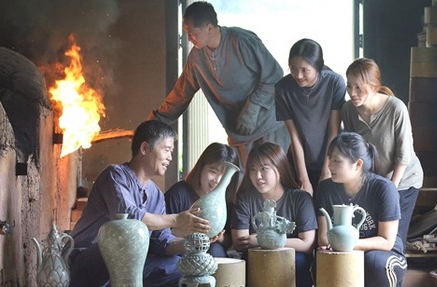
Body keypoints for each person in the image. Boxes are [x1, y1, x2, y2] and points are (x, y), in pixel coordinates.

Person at [65, 120, 210, 287]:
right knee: (124, 240)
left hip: (129, 265)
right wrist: (177, 219)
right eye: (167, 150)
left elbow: (162, 242)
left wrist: (195, 242)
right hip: (88, 263)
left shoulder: (156, 195)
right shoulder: (115, 175)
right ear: (144, 148)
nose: (170, 157)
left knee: (183, 268)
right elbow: (128, 220)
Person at [147, 1, 290, 167]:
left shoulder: (241, 41)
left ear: (209, 28)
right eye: (187, 33)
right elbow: (180, 94)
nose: (189, 38)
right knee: (242, 188)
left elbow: (275, 75)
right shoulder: (196, 59)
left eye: (192, 33)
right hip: (239, 136)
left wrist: (253, 106)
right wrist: (153, 123)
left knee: (275, 180)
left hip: (270, 127)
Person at [342, 58, 423, 247]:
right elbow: (354, 151)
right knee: (369, 235)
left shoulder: (396, 108)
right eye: (349, 87)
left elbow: (404, 155)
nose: (352, 93)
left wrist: (390, 189)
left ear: (374, 86)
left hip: (403, 180)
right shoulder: (348, 110)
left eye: (358, 88)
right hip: (374, 181)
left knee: (393, 240)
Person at [315, 132, 407, 287]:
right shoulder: (325, 189)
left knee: (374, 262)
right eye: (330, 158)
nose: (330, 165)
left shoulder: (384, 189)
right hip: (340, 250)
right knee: (325, 260)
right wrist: (341, 247)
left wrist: (345, 244)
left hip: (386, 255)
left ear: (358, 164)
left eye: (337, 161)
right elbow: (323, 238)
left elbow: (386, 241)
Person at [231, 142, 317, 287]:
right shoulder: (245, 199)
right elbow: (240, 243)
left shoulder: (301, 199)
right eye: (253, 170)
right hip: (256, 257)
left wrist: (261, 241)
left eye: (264, 169)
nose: (258, 176)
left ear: (280, 168)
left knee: (300, 261)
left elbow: (307, 243)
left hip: (294, 258)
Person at [275, 38, 346, 195]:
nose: (298, 75)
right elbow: (294, 136)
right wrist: (303, 179)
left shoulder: (335, 83)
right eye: (293, 68)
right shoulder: (282, 88)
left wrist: (327, 170)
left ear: (318, 67)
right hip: (300, 159)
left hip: (332, 157)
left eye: (305, 70)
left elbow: (333, 131)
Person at [165, 142, 240, 257]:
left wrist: (219, 237)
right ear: (201, 168)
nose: (217, 180)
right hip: (180, 250)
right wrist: (187, 231)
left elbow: (229, 240)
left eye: (224, 176)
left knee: (216, 249)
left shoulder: (228, 201)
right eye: (213, 172)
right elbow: (162, 235)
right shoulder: (178, 193)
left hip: (211, 251)